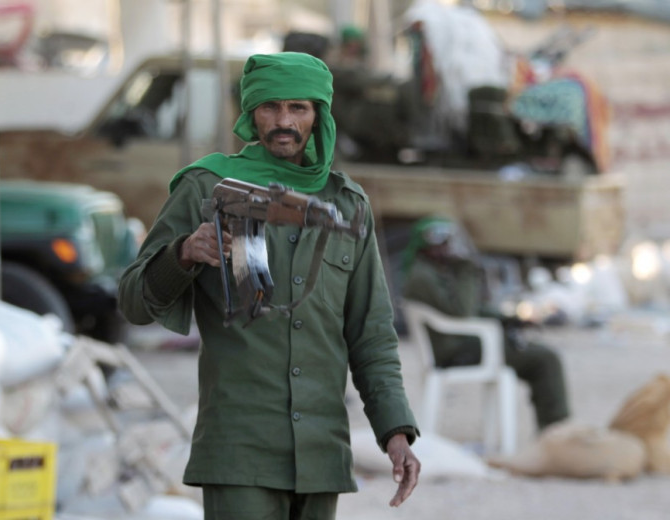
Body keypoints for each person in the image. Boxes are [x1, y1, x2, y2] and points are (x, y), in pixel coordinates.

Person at [118, 52, 420, 519]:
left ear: (318, 114)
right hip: (240, 450)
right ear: (250, 113)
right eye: (269, 108)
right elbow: (134, 302)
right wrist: (183, 254)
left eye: (298, 108)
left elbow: (371, 333)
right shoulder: (206, 187)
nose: (283, 121)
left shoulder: (347, 204)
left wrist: (395, 432)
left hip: (321, 451)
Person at [400, 216, 570, 431]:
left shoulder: (430, 272)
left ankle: (552, 429)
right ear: (424, 246)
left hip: (460, 343)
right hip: (454, 349)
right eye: (439, 244)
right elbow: (462, 313)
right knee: (545, 359)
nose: (446, 249)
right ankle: (557, 431)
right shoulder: (423, 277)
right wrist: (466, 271)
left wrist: (510, 319)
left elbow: (469, 310)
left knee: (538, 357)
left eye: (447, 242)